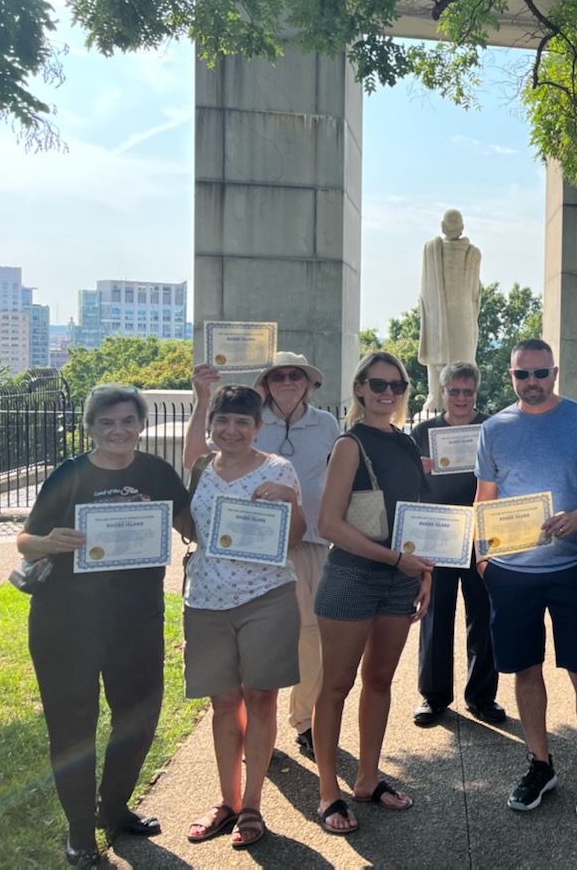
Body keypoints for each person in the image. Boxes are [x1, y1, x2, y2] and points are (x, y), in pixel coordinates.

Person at [18, 385, 191, 869]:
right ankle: (79, 833)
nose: (118, 430)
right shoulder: (69, 474)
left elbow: (191, 525)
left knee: (137, 719)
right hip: (65, 622)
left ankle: (112, 810)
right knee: (73, 727)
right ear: (91, 427)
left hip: (136, 620)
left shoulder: (156, 472)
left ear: (141, 425)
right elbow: (25, 542)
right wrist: (49, 540)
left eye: (127, 421)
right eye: (106, 423)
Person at [474, 338, 577, 816]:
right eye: (522, 375)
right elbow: (486, 498)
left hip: (573, 567)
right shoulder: (494, 428)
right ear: (511, 376)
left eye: (540, 373)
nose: (531, 383)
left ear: (554, 373)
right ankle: (540, 764)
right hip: (512, 572)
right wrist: (482, 557)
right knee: (524, 670)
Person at [184, 351, 340, 759]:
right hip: (245, 553)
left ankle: (305, 720)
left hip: (310, 541)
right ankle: (255, 732)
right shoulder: (247, 417)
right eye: (278, 376)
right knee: (252, 648)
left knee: (311, 636)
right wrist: (203, 398)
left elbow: (340, 475)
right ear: (266, 383)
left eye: (296, 375)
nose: (287, 381)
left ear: (308, 382)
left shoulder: (326, 423)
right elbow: (197, 458)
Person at [314, 351, 433, 834]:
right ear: (360, 388)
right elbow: (328, 523)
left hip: (401, 577)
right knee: (337, 686)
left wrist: (426, 573)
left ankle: (367, 778)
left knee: (380, 681)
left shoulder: (406, 444)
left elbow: (419, 516)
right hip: (352, 577)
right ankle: (328, 792)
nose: (388, 393)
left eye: (397, 386)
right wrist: (394, 559)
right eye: (377, 384)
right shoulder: (349, 444)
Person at [182, 385, 306, 850]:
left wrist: (287, 501)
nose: (231, 430)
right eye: (223, 420)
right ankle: (227, 800)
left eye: (242, 422)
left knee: (260, 697)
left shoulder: (278, 468)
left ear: (258, 427)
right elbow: (186, 524)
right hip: (207, 599)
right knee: (222, 703)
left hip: (266, 595)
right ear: (213, 423)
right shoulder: (200, 469)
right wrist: (201, 395)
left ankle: (252, 805)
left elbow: (296, 536)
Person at [410, 360, 504, 727]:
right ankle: (433, 697)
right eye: (454, 390)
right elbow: (407, 485)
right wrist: (418, 470)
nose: (461, 397)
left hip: (482, 530)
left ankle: (482, 697)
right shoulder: (422, 431)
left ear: (475, 393)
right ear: (443, 391)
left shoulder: (491, 428)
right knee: (436, 614)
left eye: (468, 391)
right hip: (440, 532)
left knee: (484, 614)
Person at [418, 208, 482, 412]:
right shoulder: (471, 253)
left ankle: (437, 397)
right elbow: (475, 291)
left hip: (449, 313)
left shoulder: (432, 249)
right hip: (458, 314)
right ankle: (436, 397)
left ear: (443, 227)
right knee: (453, 360)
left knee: (444, 359)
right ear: (461, 227)